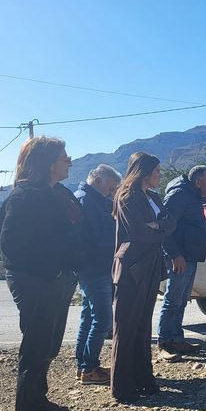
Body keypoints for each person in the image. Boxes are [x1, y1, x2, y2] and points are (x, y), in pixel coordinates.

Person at [0, 136, 82, 411]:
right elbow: (11, 244)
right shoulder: (24, 197)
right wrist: (50, 270)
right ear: (47, 163)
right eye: (64, 157)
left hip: (56, 278)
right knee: (35, 346)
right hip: (35, 281)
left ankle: (39, 400)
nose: (69, 161)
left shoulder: (57, 193)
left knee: (49, 344)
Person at [110, 152, 176, 403]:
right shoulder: (127, 196)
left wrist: (156, 227)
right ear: (144, 172)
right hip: (131, 268)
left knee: (142, 325)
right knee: (126, 327)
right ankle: (123, 387)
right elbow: (139, 233)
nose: (160, 175)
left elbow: (170, 224)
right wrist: (158, 228)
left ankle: (143, 380)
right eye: (157, 171)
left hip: (149, 266)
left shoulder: (154, 197)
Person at [157, 165, 206, 358]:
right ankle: (165, 343)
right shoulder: (180, 195)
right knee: (173, 300)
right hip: (179, 258)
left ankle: (177, 340)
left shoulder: (192, 195)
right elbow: (164, 227)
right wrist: (175, 255)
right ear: (198, 182)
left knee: (181, 300)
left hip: (189, 256)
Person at [74, 164, 122, 385]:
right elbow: (95, 237)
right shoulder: (87, 201)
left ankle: (83, 366)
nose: (111, 191)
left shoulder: (90, 198)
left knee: (88, 318)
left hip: (92, 267)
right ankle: (89, 368)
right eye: (110, 186)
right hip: (95, 268)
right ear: (99, 180)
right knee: (103, 320)